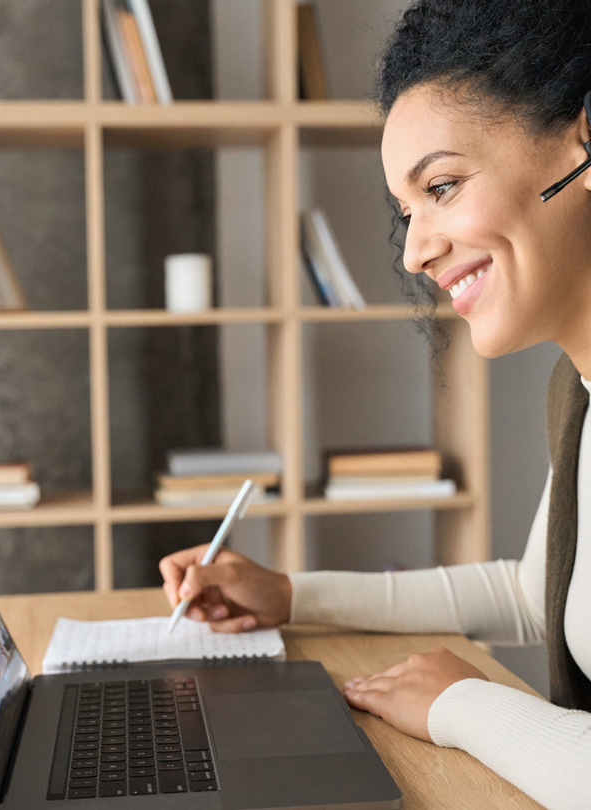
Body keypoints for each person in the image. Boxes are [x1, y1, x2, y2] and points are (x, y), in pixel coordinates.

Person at [160, 2, 591, 808]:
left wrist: (462, 704)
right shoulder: (578, 390)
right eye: (407, 211)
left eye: (443, 186)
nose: (417, 249)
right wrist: (292, 596)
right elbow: (540, 592)